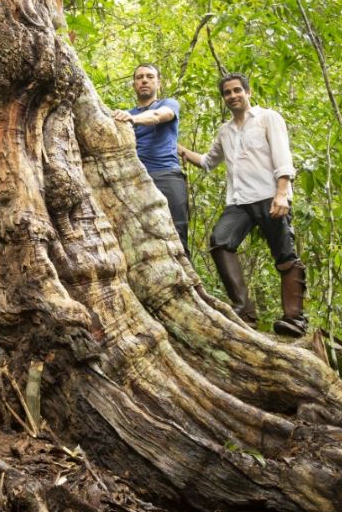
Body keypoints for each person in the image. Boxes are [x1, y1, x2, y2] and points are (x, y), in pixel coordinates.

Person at [178, 73, 307, 337]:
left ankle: (294, 319)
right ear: (224, 98)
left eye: (238, 90)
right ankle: (245, 311)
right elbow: (206, 161)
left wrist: (282, 194)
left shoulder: (267, 118)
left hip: (269, 195)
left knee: (284, 256)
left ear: (248, 92)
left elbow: (283, 157)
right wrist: (177, 148)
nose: (233, 95)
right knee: (220, 241)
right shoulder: (225, 131)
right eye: (227, 92)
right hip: (239, 201)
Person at [113, 64, 189, 256]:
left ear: (158, 83)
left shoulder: (168, 104)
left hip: (166, 176)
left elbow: (159, 116)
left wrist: (132, 119)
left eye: (149, 77)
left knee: (177, 234)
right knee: (140, 238)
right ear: (134, 84)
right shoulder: (127, 114)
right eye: (139, 77)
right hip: (135, 180)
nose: (144, 80)